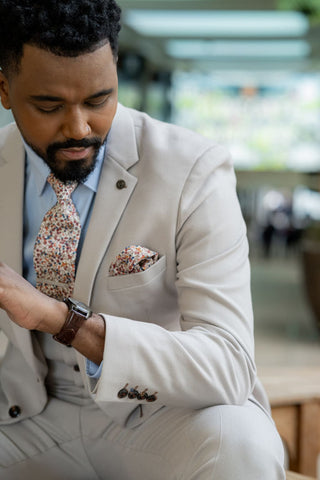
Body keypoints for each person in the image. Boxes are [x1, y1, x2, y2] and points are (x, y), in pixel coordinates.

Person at [0, 1, 285, 478]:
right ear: (4, 89)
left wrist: (60, 320)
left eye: (99, 100)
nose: (78, 127)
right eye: (49, 106)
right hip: (23, 416)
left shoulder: (194, 170)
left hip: (154, 415)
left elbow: (229, 364)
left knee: (242, 446)